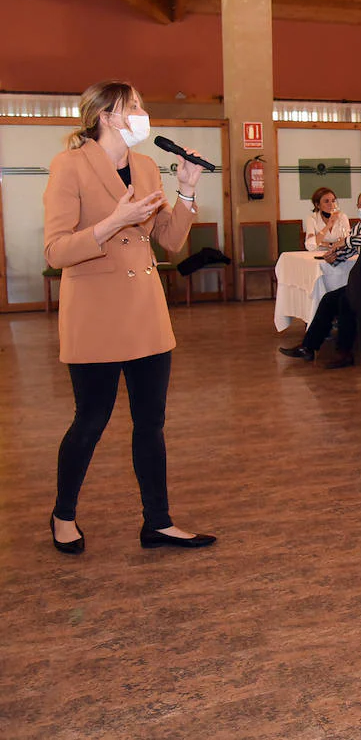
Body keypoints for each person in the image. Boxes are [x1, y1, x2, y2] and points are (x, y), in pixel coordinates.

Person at [42, 80, 216, 554]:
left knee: (150, 422)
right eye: (134, 106)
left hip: (146, 313)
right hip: (96, 315)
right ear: (106, 115)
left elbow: (171, 240)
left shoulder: (144, 166)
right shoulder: (69, 166)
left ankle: (157, 522)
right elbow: (57, 250)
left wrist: (184, 192)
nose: (142, 113)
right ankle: (63, 514)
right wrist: (113, 221)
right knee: (91, 419)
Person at [279, 191, 361, 369]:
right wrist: (335, 256)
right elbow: (349, 250)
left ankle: (345, 353)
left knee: (347, 300)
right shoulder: (359, 227)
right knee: (329, 299)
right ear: (357, 208)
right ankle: (308, 347)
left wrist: (346, 242)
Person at [304, 187, 350, 252]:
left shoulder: (342, 217)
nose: (331, 204)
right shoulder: (312, 219)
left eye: (333, 201)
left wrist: (324, 243)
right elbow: (309, 245)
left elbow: (348, 240)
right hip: (318, 255)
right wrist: (328, 225)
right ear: (318, 205)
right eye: (326, 201)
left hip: (338, 253)